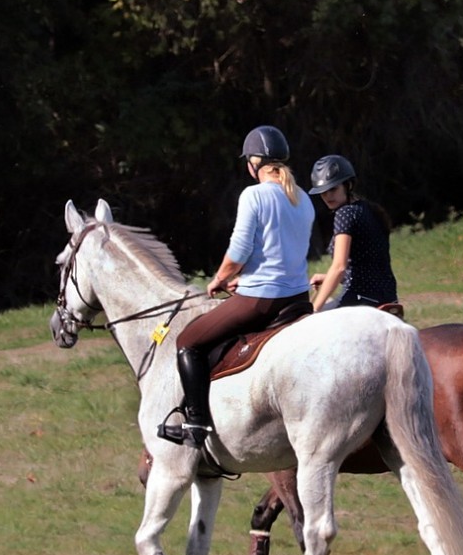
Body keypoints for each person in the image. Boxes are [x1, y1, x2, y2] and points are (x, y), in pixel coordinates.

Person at [158, 125, 314, 448]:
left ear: (254, 163)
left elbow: (238, 253)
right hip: (299, 299)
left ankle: (196, 425)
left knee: (188, 342)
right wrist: (247, 276)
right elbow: (284, 253)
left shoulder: (253, 195)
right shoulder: (304, 199)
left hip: (261, 302)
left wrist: (220, 279)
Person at [306, 154, 397, 311]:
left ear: (348, 185)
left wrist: (312, 309)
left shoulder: (345, 214)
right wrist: (328, 278)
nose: (327, 196)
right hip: (389, 298)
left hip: (359, 299)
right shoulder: (371, 210)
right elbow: (367, 267)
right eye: (323, 192)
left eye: (333, 189)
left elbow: (339, 267)